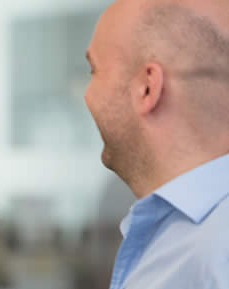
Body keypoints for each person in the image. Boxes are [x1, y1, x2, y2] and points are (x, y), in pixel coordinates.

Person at [84, 0, 229, 288]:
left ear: (147, 87)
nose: (86, 95)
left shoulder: (214, 254)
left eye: (94, 71)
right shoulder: (173, 237)